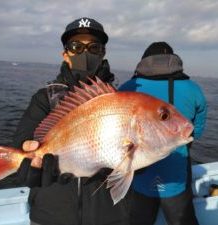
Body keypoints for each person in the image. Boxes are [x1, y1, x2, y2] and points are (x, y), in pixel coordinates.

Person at [13, 17, 131, 225]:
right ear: (65, 54)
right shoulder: (45, 98)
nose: (85, 53)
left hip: (107, 216)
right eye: (76, 46)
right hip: (51, 216)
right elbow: (22, 141)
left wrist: (141, 158)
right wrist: (27, 163)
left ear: (102, 53)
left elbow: (133, 158)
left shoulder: (118, 102)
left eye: (93, 47)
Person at [119, 42, 207, 225]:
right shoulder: (194, 89)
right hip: (176, 171)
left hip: (138, 168)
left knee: (138, 219)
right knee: (182, 219)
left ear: (144, 61)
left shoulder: (128, 88)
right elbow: (195, 132)